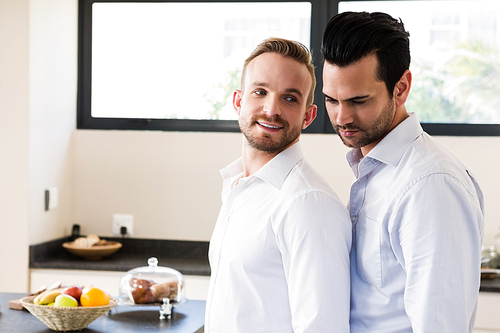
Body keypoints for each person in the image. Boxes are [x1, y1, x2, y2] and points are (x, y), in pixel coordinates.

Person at [321, 11, 485, 332]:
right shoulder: (374, 172)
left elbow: (441, 325)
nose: (341, 117)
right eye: (331, 99)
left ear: (401, 88)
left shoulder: (430, 184)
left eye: (358, 100)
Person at [204, 37, 352, 332]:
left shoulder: (308, 203)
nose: (272, 109)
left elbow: (323, 327)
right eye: (260, 91)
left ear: (308, 116)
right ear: (238, 101)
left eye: (290, 98)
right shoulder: (239, 186)